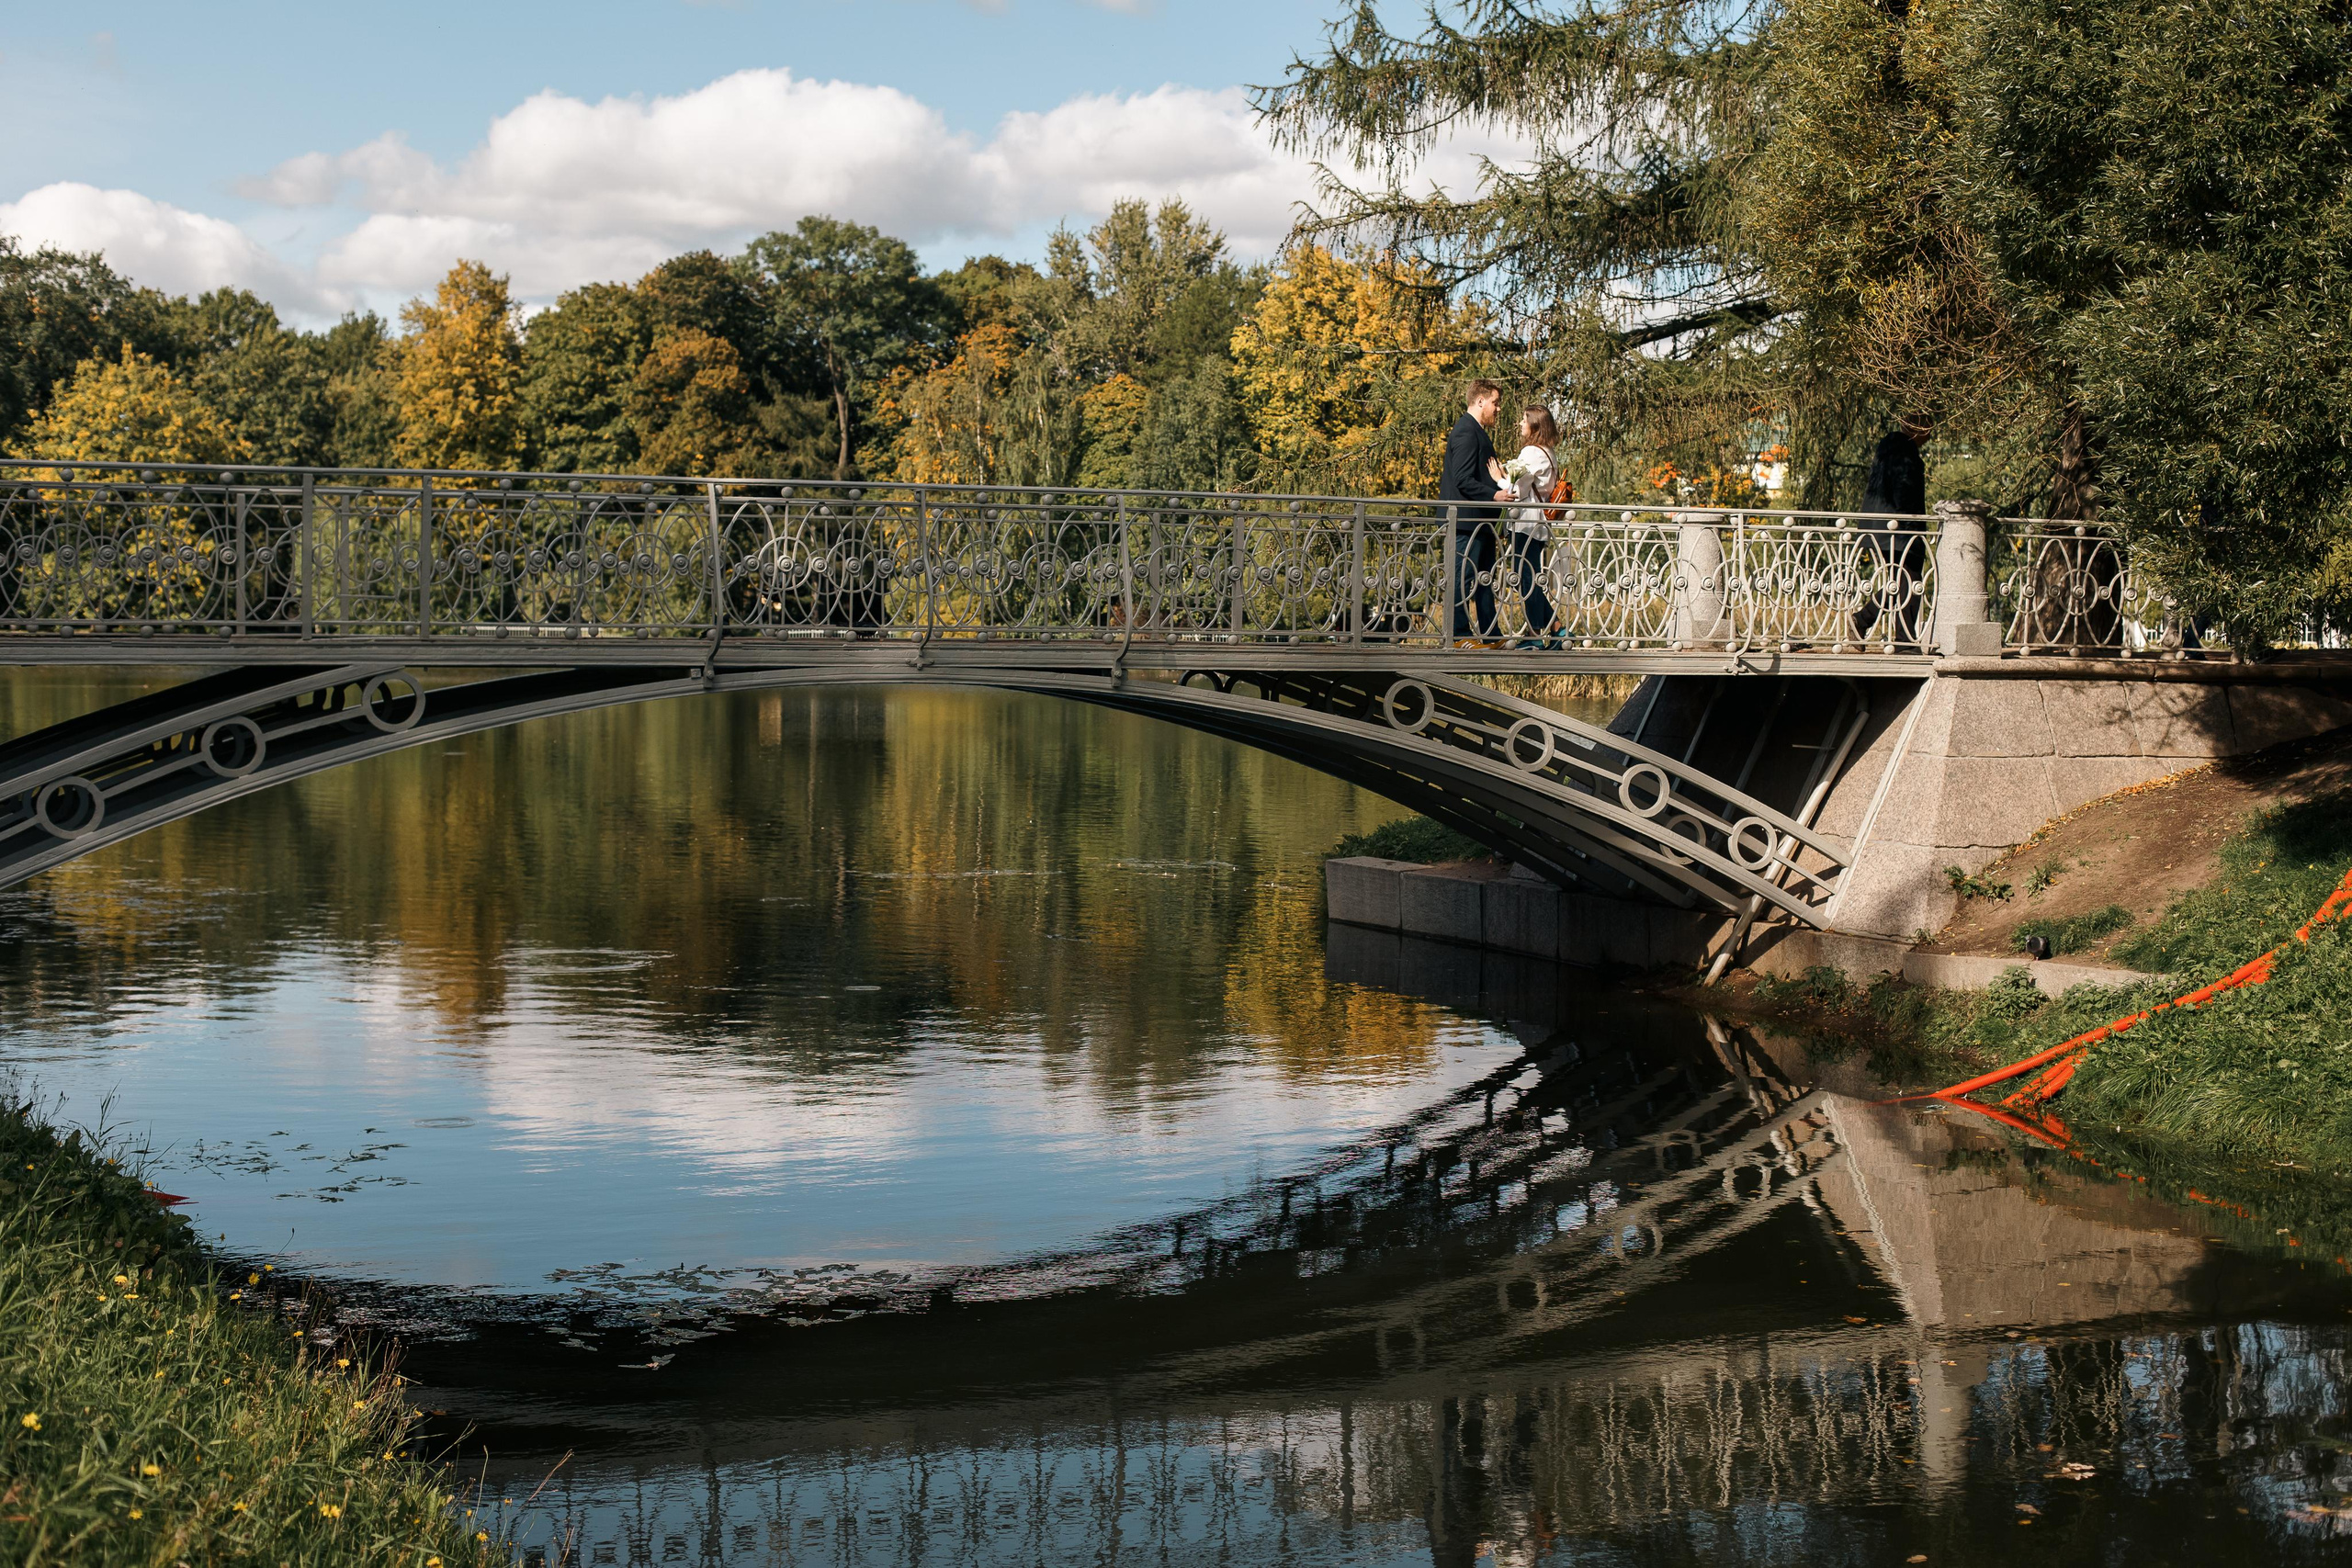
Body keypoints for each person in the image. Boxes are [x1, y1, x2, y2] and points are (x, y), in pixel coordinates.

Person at [1440, 379, 1514, 640]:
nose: (1498, 409)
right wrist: (1495, 495)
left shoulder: (1475, 431)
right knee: (1463, 578)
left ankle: (1491, 635)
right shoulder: (1466, 431)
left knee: (1484, 579)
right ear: (1480, 401)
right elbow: (1461, 478)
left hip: (1479, 522)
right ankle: (1458, 635)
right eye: (1495, 403)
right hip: (1465, 522)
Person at [1851, 415, 1929, 645]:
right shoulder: (1905, 451)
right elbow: (1904, 489)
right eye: (1929, 430)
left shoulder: (1888, 448)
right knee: (1910, 583)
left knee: (1899, 583)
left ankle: (1864, 621)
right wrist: (1910, 526)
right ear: (1919, 429)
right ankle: (1902, 640)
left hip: (1883, 530)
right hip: (1900, 532)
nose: (1930, 436)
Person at [1504, 406, 1567, 646]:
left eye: (1524, 420)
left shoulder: (1531, 451)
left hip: (1526, 523)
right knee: (1528, 576)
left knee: (1525, 578)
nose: (1520, 424)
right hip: (1539, 524)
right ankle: (1557, 628)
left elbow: (1516, 490)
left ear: (1535, 426)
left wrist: (1499, 476)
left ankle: (1535, 635)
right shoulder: (1549, 452)